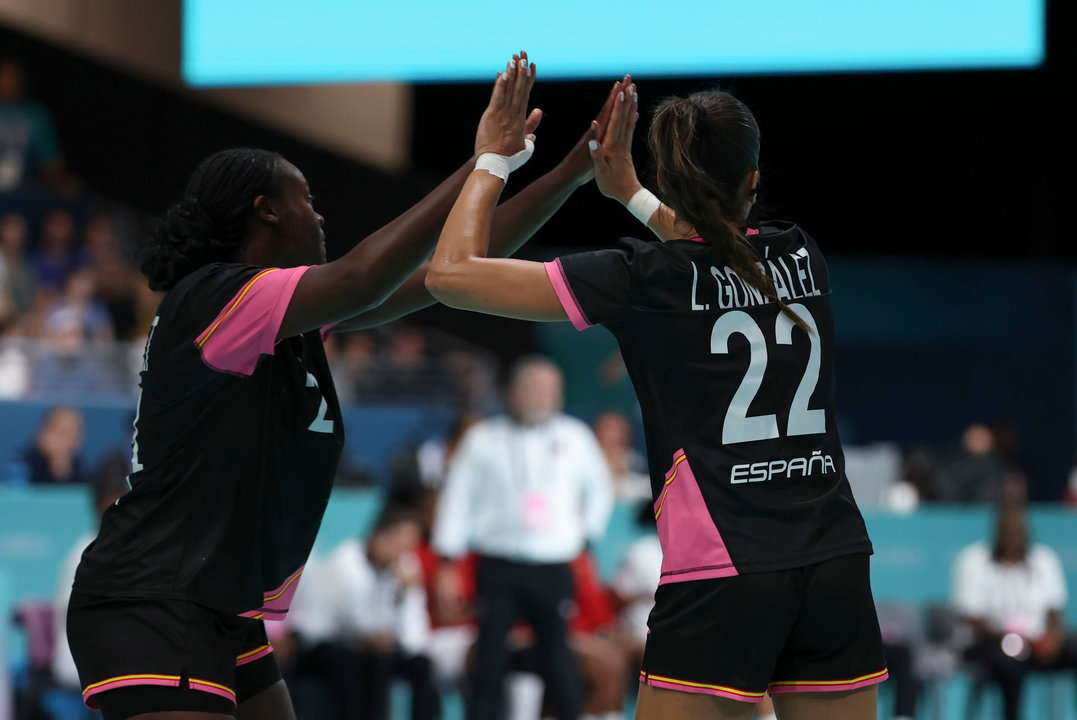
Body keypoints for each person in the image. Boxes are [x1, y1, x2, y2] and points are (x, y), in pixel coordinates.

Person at [65, 79, 624, 720]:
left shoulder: (292, 319)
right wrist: (482, 161)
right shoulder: (216, 297)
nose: (322, 215)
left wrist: (571, 172)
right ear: (265, 210)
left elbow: (460, 267)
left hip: (216, 601)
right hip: (152, 598)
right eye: (307, 199)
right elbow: (364, 273)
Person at [425, 53, 887, 720]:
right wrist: (632, 194)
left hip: (724, 569)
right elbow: (711, 248)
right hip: (835, 557)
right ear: (752, 178)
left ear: (672, 176)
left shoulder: (642, 279)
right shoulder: (798, 255)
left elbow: (451, 273)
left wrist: (493, 159)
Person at [431, 356, 614, 720]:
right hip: (498, 566)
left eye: (552, 389)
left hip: (554, 565)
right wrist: (448, 562)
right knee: (489, 659)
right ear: (513, 391)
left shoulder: (575, 437)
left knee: (559, 657)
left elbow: (601, 488)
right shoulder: (483, 438)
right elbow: (457, 497)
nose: (544, 397)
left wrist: (585, 536)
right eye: (535, 388)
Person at [290, 503, 438, 720]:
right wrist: (385, 631)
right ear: (379, 536)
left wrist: (403, 596)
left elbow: (415, 636)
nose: (404, 551)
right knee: (362, 661)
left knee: (421, 664)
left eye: (409, 545)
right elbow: (356, 624)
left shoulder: (406, 567)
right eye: (399, 542)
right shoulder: (346, 561)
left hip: (374, 647)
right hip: (325, 641)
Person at [952, 501, 1077, 720]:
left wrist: (1053, 639)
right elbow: (973, 618)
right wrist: (1016, 639)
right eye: (1007, 531)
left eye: (1018, 530)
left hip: (1037, 643)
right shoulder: (974, 560)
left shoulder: (1044, 560)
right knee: (1009, 662)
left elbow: (1055, 612)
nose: (1013, 537)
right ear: (998, 531)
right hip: (992, 643)